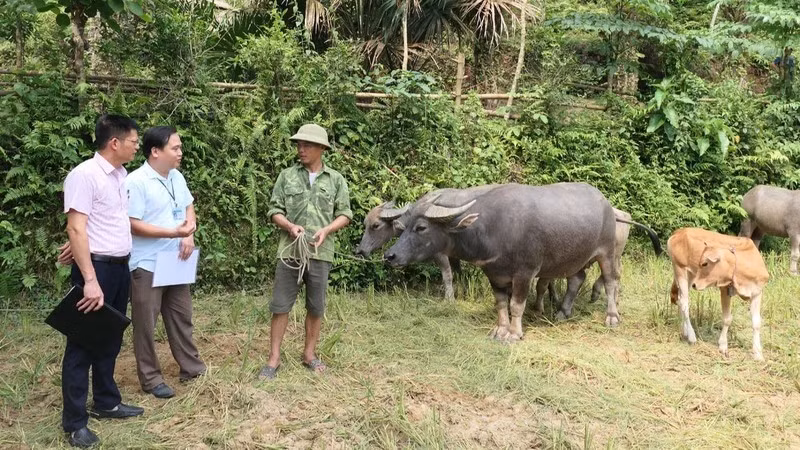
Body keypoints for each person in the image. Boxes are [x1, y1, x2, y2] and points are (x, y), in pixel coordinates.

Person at [61, 114, 144, 448]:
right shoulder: (85, 175)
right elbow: (76, 227)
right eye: (134, 142)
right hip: (95, 271)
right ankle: (75, 422)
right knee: (82, 343)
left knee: (110, 336)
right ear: (115, 143)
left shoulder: (120, 175)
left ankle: (106, 401)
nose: (137, 147)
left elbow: (98, 222)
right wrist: (90, 280)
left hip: (118, 266)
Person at [259, 124, 352, 380]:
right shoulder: (286, 176)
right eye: (299, 145)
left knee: (316, 306)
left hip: (320, 253)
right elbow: (273, 210)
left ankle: (309, 354)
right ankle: (274, 358)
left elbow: (345, 213)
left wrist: (327, 230)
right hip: (290, 252)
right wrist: (289, 226)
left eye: (307, 145)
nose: (301, 149)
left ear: (322, 148)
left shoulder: (336, 180)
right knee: (280, 305)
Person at [126, 126, 206, 399]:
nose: (180, 152)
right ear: (155, 151)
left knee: (181, 316)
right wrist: (174, 232)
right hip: (147, 263)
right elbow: (132, 224)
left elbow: (188, 207)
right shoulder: (136, 182)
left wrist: (189, 234)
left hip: (177, 258)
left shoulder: (177, 177)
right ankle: (150, 378)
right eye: (175, 148)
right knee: (146, 323)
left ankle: (192, 367)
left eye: (180, 147)